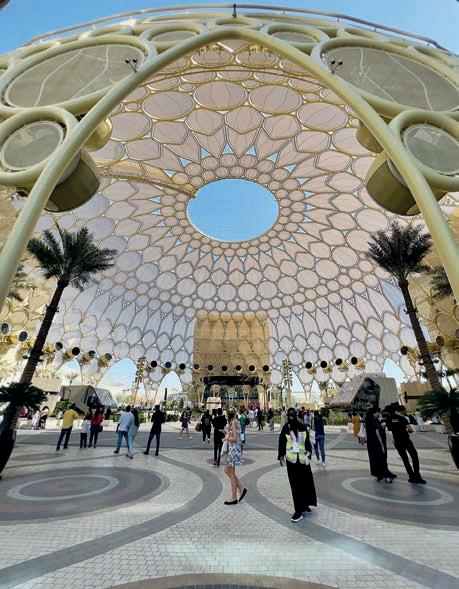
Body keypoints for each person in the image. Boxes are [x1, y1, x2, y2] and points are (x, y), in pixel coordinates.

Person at [278, 407, 317, 523]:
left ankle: (305, 505)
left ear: (296, 415)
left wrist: (309, 455)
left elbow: (307, 443)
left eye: (292, 415)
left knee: (306, 483)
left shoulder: (302, 427)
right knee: (295, 486)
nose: (291, 417)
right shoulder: (286, 428)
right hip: (292, 462)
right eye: (289, 415)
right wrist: (281, 455)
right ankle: (298, 510)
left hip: (303, 461)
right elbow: (282, 442)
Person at [385, 404, 426, 484]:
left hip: (397, 441)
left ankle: (411, 476)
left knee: (405, 458)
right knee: (414, 456)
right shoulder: (402, 418)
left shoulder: (388, 419)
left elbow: (389, 429)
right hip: (406, 439)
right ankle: (417, 475)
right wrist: (408, 430)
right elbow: (410, 429)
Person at [223, 406, 246, 505]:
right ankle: (241, 487)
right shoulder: (235, 422)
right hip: (234, 450)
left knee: (231, 474)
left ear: (235, 412)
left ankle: (233, 497)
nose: (230, 412)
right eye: (229, 411)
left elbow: (235, 438)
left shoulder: (233, 422)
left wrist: (226, 439)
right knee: (226, 470)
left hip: (233, 450)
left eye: (232, 411)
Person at [364, 407, 393, 483]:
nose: (379, 414)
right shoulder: (373, 421)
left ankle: (378, 475)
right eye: (378, 412)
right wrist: (382, 445)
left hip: (370, 443)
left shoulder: (368, 420)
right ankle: (386, 476)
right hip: (376, 443)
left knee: (374, 459)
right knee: (382, 459)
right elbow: (377, 434)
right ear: (375, 412)